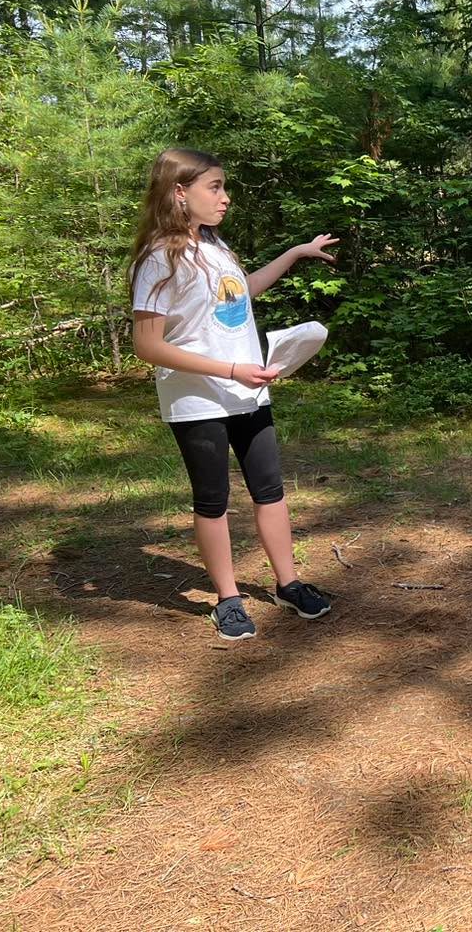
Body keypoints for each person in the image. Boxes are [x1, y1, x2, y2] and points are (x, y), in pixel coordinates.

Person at [130, 148, 341, 641]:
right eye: (215, 187)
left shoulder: (215, 248)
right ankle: (228, 598)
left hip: (248, 393)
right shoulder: (160, 258)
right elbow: (147, 344)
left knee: (270, 491)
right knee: (213, 500)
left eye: (225, 188)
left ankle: (288, 584)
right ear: (179, 192)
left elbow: (241, 291)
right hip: (197, 401)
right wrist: (229, 368)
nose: (225, 198)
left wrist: (295, 253)